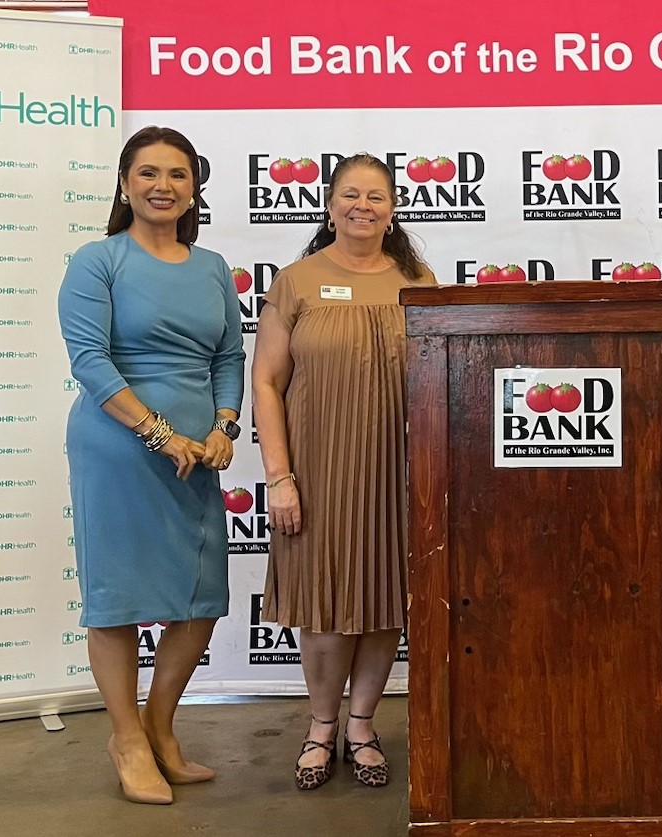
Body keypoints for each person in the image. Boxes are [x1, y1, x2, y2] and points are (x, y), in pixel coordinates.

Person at [58, 126, 245, 805]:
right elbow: (89, 360)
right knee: (117, 599)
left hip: (197, 454)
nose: (163, 185)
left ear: (194, 186)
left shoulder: (213, 266)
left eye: (177, 174)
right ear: (124, 183)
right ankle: (126, 738)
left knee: (200, 599)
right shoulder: (96, 260)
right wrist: (158, 431)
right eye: (148, 173)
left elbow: (228, 357)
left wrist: (223, 426)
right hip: (118, 449)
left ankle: (160, 726)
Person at [252, 153, 436, 790]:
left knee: (385, 603)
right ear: (329, 205)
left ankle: (362, 725)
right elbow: (267, 381)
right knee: (326, 607)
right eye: (350, 194)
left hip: (396, 469)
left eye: (376, 195)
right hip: (317, 470)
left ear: (392, 209)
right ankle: (321, 728)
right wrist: (279, 476)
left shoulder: (417, 280)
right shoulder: (297, 281)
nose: (363, 205)